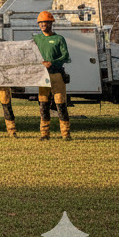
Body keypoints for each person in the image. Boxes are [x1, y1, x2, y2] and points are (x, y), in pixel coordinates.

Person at [33, 10, 71, 141]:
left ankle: (65, 134)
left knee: (60, 104)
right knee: (43, 105)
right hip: (43, 78)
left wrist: (52, 63)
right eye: (41, 22)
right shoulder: (36, 39)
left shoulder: (59, 39)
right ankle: (44, 134)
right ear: (39, 24)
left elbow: (65, 56)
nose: (43, 24)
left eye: (46, 22)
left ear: (51, 23)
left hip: (57, 76)